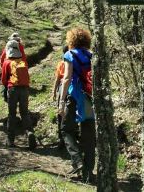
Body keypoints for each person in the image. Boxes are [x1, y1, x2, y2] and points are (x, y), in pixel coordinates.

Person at [58, 28, 95, 183]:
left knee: (66, 129)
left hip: (73, 97)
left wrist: (61, 100)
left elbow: (66, 78)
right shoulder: (91, 55)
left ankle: (77, 160)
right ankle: (88, 173)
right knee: (88, 135)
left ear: (71, 40)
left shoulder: (69, 55)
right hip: (89, 97)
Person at [1, 39, 36, 149]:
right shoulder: (22, 62)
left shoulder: (7, 63)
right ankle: (30, 132)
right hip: (24, 90)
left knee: (12, 114)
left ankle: (10, 140)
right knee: (24, 113)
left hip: (13, 90)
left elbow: (3, 80)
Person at [52, 45, 69, 149]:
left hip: (63, 88)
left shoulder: (61, 64)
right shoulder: (75, 62)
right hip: (74, 89)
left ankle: (62, 139)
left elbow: (57, 79)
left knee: (60, 113)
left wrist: (54, 92)